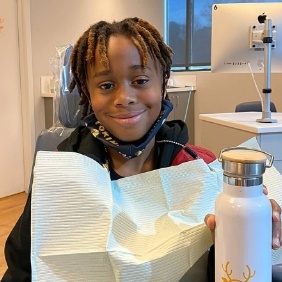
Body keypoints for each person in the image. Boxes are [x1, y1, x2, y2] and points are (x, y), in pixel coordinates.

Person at [1, 17, 281, 282]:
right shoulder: (62, 176)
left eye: (140, 81)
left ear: (163, 84)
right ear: (87, 92)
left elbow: (222, 272)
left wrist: (244, 237)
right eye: (107, 85)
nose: (124, 98)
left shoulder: (200, 170)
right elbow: (24, 267)